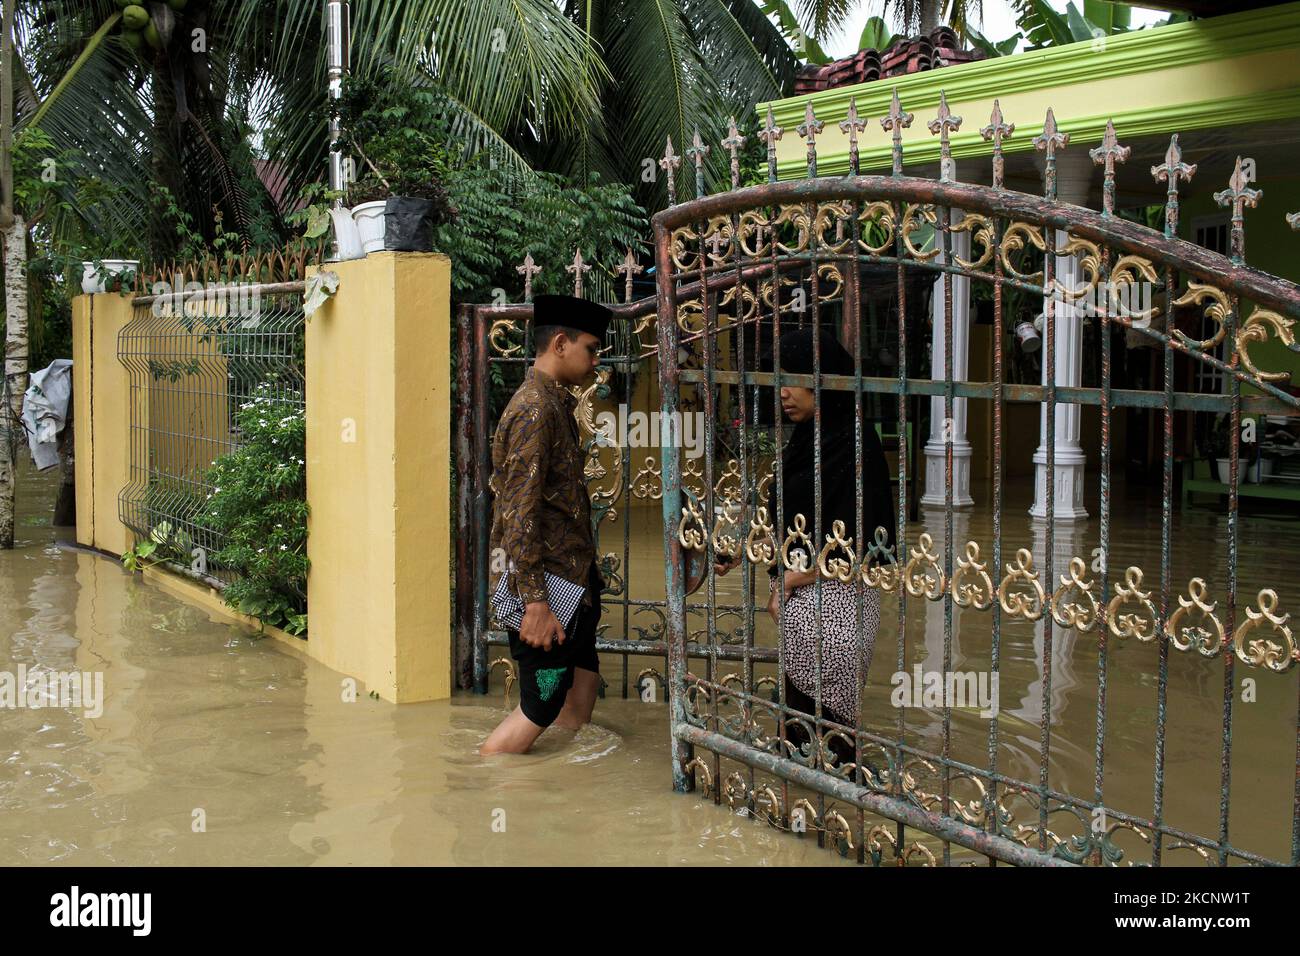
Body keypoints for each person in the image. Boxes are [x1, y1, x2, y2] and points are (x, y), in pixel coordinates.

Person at [717, 327, 895, 767]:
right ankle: (796, 817)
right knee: (796, 731)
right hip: (797, 605)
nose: (785, 393)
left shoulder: (857, 443)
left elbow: (870, 539)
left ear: (825, 381)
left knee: (831, 735)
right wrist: (746, 554)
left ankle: (846, 811)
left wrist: (800, 577)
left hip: (839, 605)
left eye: (794, 381)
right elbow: (791, 522)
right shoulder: (806, 442)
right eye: (781, 381)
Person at [480, 294, 611, 756]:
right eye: (591, 349)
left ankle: (565, 794)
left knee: (583, 679)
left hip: (572, 582)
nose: (596, 361)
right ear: (560, 343)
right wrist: (534, 601)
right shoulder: (535, 408)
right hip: (548, 590)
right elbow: (518, 511)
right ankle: (489, 778)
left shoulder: (553, 402)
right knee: (543, 700)